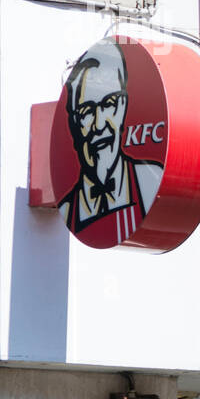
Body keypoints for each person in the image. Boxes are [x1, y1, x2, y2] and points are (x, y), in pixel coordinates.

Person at [58, 39, 162, 246]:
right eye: (87, 111)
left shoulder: (152, 182)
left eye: (109, 104)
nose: (99, 124)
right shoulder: (68, 209)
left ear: (123, 107)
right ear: (74, 123)